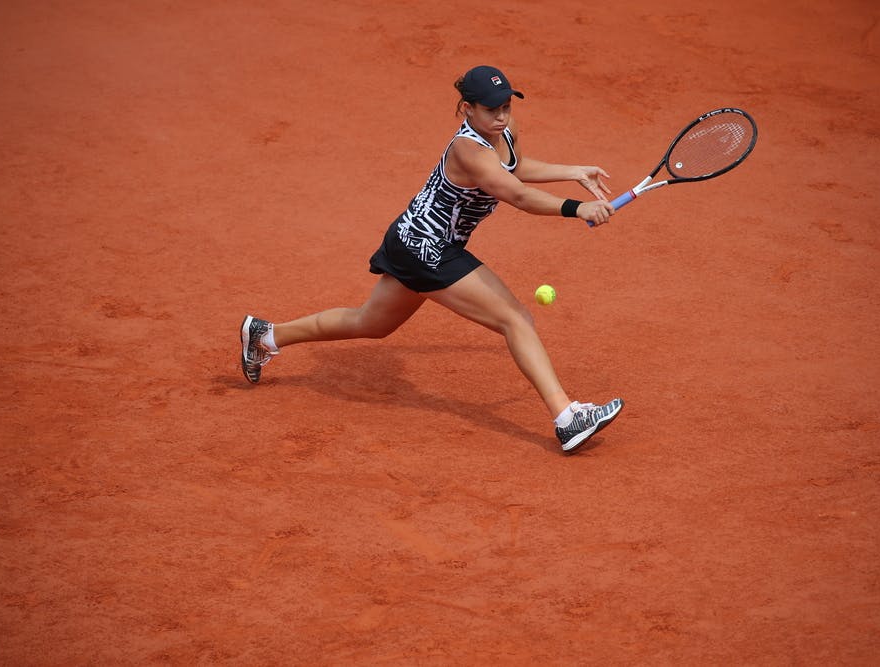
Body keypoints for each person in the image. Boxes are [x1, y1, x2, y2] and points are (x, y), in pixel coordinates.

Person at [240, 65, 623, 453]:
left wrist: (572, 171)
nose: (502, 116)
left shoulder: (504, 131)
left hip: (408, 239)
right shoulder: (467, 149)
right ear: (467, 109)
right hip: (428, 247)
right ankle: (567, 417)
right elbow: (517, 194)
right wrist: (578, 209)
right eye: (491, 109)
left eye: (506, 105)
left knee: (370, 323)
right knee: (515, 318)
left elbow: (515, 168)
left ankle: (265, 335)